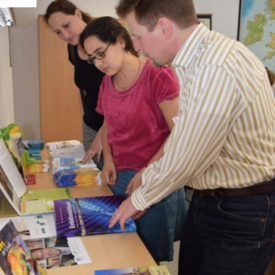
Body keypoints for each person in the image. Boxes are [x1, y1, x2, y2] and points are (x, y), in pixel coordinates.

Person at [109, 1, 275, 274]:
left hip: (243, 209)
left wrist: (140, 199)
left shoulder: (216, 65)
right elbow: (185, 135)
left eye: (138, 37)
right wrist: (151, 176)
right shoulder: (192, 63)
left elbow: (188, 156)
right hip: (208, 198)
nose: (136, 46)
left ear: (164, 27)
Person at [79, 16, 186, 263]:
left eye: (100, 53)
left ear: (120, 40)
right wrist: (107, 161)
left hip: (153, 180)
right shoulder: (108, 81)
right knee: (120, 250)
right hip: (119, 178)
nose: (98, 62)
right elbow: (107, 125)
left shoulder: (157, 75)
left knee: (146, 257)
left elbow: (179, 133)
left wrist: (148, 171)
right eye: (92, 58)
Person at [44, 0, 105, 168]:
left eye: (66, 25)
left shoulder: (103, 42)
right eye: (58, 32)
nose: (65, 35)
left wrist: (102, 135)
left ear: (78, 14)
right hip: (91, 125)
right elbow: (83, 88)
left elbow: (120, 93)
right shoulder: (72, 48)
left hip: (112, 129)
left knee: (114, 186)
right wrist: (83, 120)